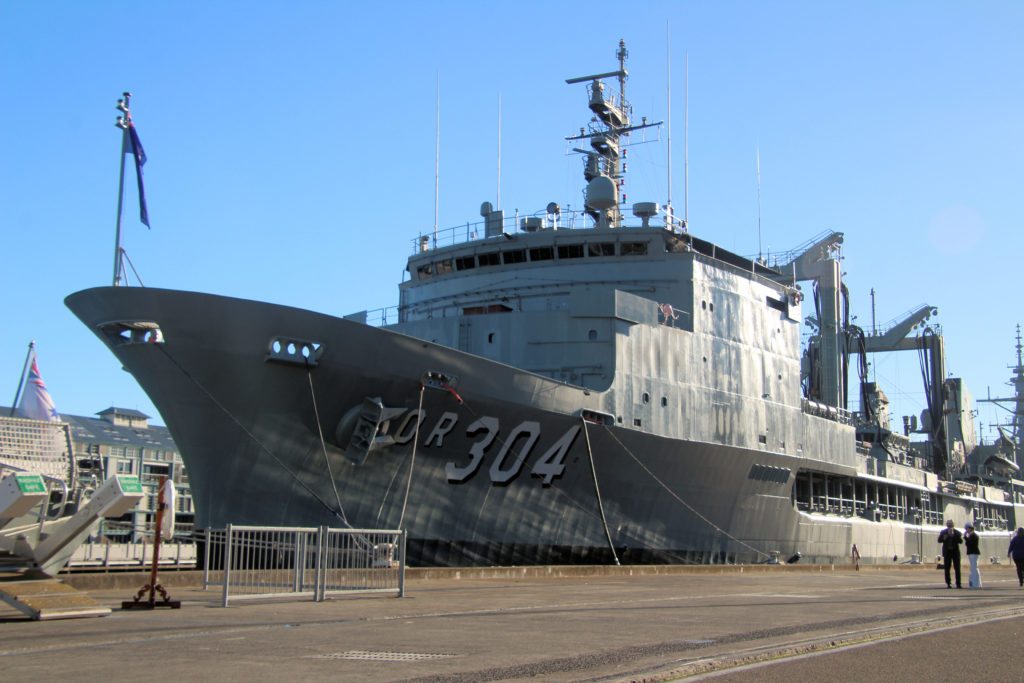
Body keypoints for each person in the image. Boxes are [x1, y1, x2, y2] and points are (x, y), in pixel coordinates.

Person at [938, 519, 963, 588]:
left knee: (957, 568)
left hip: (955, 552)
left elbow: (961, 541)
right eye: (948, 525)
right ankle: (948, 583)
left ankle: (958, 583)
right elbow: (939, 540)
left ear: (953, 525)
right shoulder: (943, 532)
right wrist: (944, 538)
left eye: (951, 524)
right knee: (947, 568)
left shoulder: (957, 532)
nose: (949, 526)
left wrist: (954, 536)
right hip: (947, 552)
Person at [964, 522, 981, 588]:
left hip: (973, 553)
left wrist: (965, 537)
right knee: (973, 568)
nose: (966, 530)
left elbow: (970, 543)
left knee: (974, 568)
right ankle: (975, 583)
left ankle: (976, 584)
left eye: (967, 529)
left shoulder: (974, 536)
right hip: (972, 552)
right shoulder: (971, 536)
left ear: (970, 528)